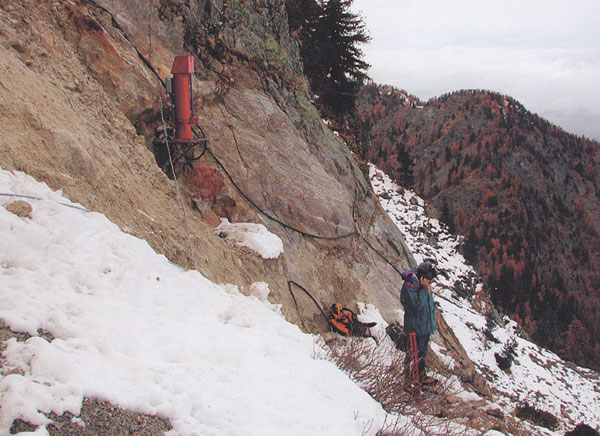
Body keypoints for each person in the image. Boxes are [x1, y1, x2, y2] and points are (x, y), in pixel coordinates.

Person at [400, 261, 438, 391]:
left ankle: (420, 377)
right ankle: (408, 382)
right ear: (421, 277)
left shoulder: (424, 285)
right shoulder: (410, 286)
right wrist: (423, 290)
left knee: (422, 352)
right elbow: (416, 307)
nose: (430, 282)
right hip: (414, 328)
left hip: (424, 326)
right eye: (428, 279)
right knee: (412, 353)